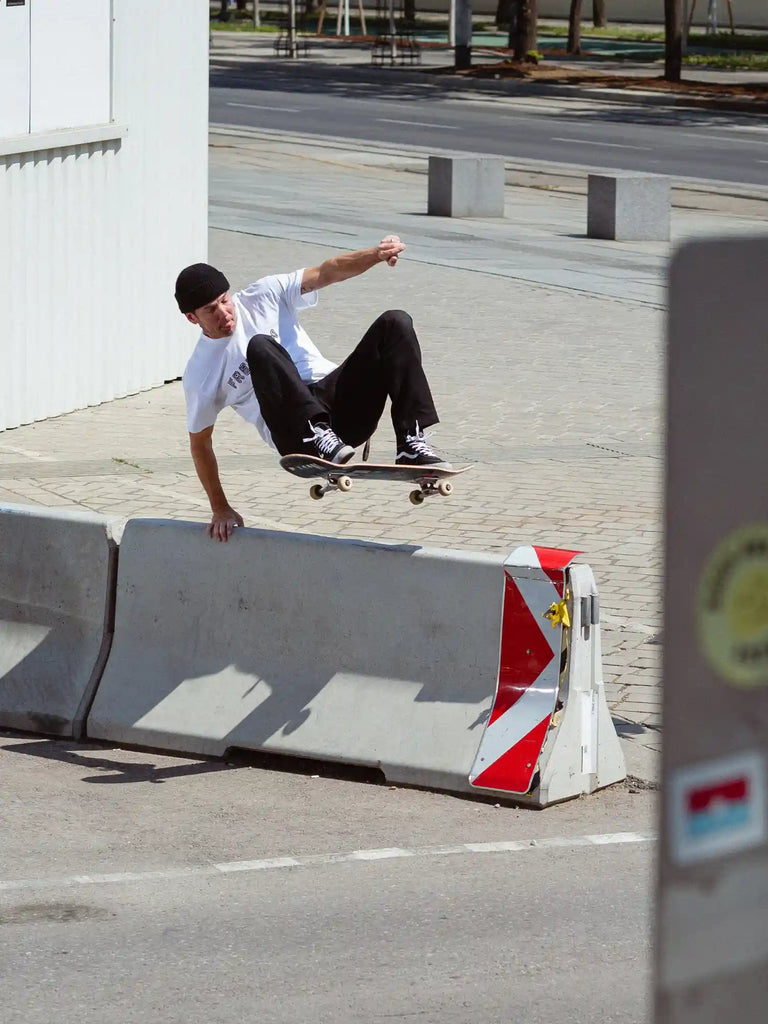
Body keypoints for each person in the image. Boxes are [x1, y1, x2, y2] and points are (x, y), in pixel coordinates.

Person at [175, 235, 451, 541]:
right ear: (192, 318)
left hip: (343, 413)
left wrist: (375, 254)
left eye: (225, 300)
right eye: (211, 310)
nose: (225, 313)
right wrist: (220, 507)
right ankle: (317, 432)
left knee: (395, 323)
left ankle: (411, 442)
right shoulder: (201, 373)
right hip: (297, 438)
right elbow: (200, 444)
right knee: (260, 346)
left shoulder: (264, 294)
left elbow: (327, 271)